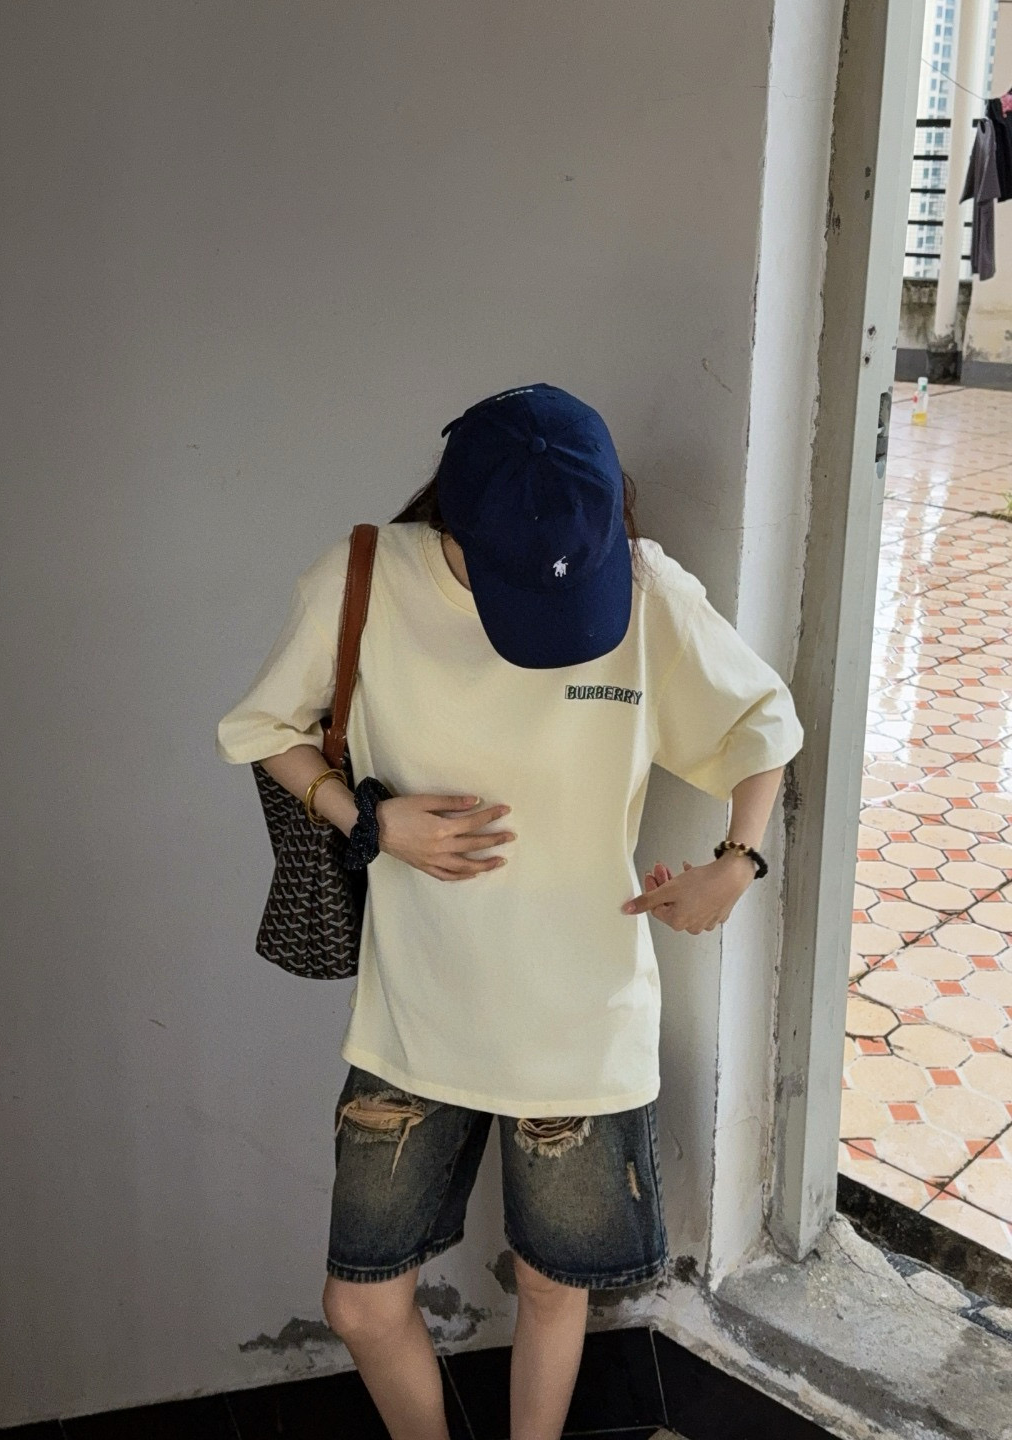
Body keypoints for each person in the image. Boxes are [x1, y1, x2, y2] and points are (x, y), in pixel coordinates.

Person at [216, 383, 804, 1440]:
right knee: (360, 1304)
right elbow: (265, 729)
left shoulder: (645, 591)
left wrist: (736, 863)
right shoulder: (363, 578)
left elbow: (764, 721)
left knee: (549, 1287)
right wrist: (373, 821)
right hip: (417, 1014)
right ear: (457, 520)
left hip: (581, 1020)